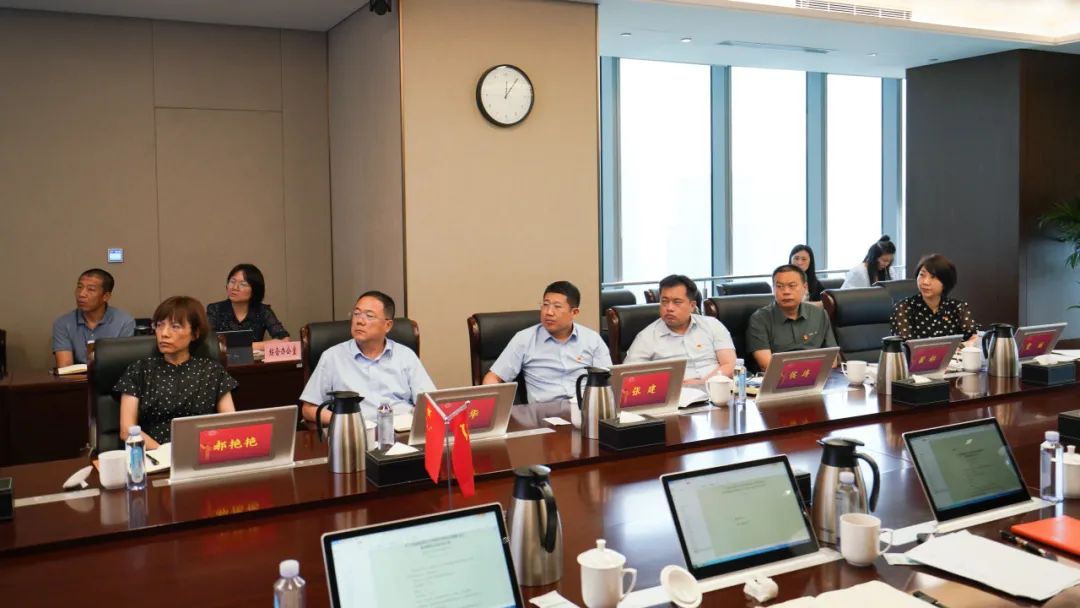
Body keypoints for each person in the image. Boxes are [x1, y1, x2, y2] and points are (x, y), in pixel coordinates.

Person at [115, 296, 237, 449]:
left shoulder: (212, 371)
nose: (164, 333)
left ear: (195, 333)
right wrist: (165, 454)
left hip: (203, 451)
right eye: (159, 325)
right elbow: (127, 430)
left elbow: (230, 423)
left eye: (175, 326)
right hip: (153, 454)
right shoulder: (139, 370)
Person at [300, 291, 434, 424]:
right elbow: (309, 409)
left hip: (402, 429)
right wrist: (344, 422)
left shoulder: (405, 355)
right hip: (355, 431)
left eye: (369, 316)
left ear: (387, 325)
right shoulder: (332, 357)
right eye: (356, 313)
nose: (359, 321)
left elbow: (431, 402)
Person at [483, 281, 611, 403]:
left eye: (557, 306)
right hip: (544, 412)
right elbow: (493, 377)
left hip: (584, 407)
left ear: (574, 312)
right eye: (545, 304)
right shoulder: (524, 339)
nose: (548, 312)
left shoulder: (592, 339)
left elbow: (609, 379)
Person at [624, 274, 735, 383]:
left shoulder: (712, 325)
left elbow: (729, 365)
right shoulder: (646, 337)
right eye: (664, 301)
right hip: (676, 392)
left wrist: (703, 383)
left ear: (692, 306)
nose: (669, 308)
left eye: (677, 302)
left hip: (717, 389)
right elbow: (628, 377)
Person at [747, 265, 838, 371]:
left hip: (816, 376)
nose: (786, 291)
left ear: (805, 287)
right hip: (779, 378)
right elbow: (766, 364)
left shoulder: (819, 314)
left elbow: (832, 360)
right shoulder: (760, 319)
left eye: (792, 286)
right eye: (779, 286)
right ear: (773, 289)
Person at [52, 268, 136, 367]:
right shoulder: (63, 323)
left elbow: (123, 364)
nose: (81, 294)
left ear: (106, 296)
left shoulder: (124, 322)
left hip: (112, 376)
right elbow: (65, 366)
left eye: (90, 289)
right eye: (79, 287)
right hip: (77, 377)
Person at [890, 254, 978, 344]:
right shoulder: (904, 308)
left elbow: (973, 337)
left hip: (955, 353)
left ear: (945, 282)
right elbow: (906, 345)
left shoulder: (958, 307)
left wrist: (958, 348)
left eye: (933, 277)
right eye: (922, 275)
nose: (925, 282)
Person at [206, 263, 289, 341]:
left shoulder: (263, 311)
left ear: (254, 290)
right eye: (232, 281)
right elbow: (208, 342)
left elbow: (284, 339)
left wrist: (249, 347)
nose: (235, 287)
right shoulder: (215, 309)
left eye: (243, 284)